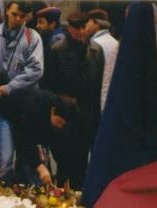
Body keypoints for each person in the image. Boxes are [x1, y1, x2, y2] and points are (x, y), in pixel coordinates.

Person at [0, 0, 44, 184]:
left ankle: (29, 203)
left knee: (29, 158)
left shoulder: (33, 37)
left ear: (28, 16)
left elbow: (36, 70)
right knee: (5, 158)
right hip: (0, 106)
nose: (18, 19)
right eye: (14, 14)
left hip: (25, 106)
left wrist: (10, 86)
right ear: (7, 10)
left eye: (23, 16)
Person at [44, 11, 103, 189]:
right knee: (64, 167)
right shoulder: (57, 50)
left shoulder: (97, 51)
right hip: (64, 116)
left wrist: (97, 123)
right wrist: (51, 114)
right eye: (76, 28)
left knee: (81, 168)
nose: (80, 32)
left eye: (83, 27)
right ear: (69, 28)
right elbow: (47, 87)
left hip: (87, 117)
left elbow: (97, 90)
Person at [2, 88, 76, 186]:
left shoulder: (60, 117)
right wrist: (40, 167)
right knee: (5, 159)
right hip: (9, 113)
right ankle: (3, 185)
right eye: (59, 122)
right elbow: (24, 140)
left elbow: (60, 149)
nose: (60, 126)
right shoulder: (34, 106)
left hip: (29, 126)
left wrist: (64, 178)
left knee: (40, 163)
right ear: (53, 110)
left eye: (63, 125)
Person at [85, 9, 119, 111]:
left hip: (99, 97)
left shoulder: (95, 45)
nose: (85, 26)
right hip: (115, 94)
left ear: (96, 23)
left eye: (88, 22)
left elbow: (94, 76)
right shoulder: (115, 42)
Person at [35, 6, 64, 92]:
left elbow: (53, 73)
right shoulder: (51, 37)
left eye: (41, 23)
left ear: (52, 24)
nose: (37, 26)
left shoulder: (56, 40)